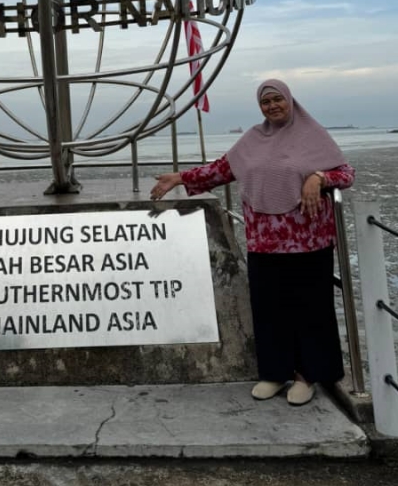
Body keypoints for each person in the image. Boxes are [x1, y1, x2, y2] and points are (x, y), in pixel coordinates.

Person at [150, 78, 355, 406]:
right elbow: (221, 170)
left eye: (277, 99)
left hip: (309, 241)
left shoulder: (312, 135)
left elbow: (345, 173)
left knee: (310, 308)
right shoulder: (252, 139)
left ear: (289, 100)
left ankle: (307, 375)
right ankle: (275, 372)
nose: (273, 106)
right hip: (264, 241)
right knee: (269, 308)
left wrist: (319, 177)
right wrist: (179, 177)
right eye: (266, 102)